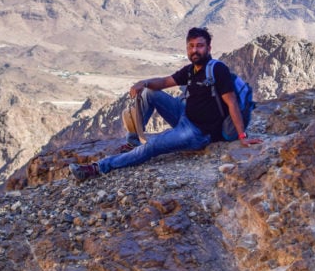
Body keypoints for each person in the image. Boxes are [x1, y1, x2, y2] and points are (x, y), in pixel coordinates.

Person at [68, 27, 261, 182]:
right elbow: (164, 82)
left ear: (209, 48)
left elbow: (232, 103)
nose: (195, 50)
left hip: (199, 133)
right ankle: (132, 141)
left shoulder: (218, 70)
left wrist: (242, 136)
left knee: (152, 146)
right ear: (187, 49)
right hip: (184, 116)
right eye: (191, 46)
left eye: (200, 46)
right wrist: (143, 83)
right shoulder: (191, 70)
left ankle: (98, 168)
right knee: (150, 93)